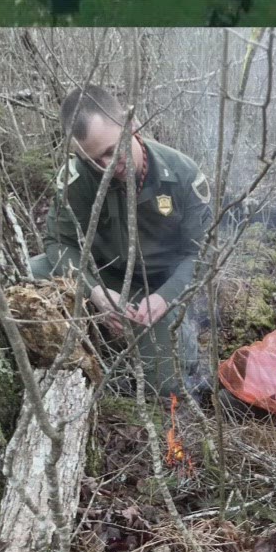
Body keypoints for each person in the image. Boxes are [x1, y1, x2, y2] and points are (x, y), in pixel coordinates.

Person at [28, 85, 214, 397]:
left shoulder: (182, 174)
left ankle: (181, 342)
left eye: (113, 150)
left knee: (166, 387)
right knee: (30, 274)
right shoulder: (76, 177)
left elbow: (201, 255)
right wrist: (95, 292)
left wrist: (165, 297)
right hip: (101, 274)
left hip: (156, 288)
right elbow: (59, 243)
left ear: (132, 124)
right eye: (93, 158)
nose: (107, 166)